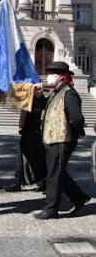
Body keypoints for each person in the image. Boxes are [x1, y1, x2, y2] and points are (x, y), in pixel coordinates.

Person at [34, 61, 90, 220]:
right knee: (57, 172)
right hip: (51, 139)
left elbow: (77, 118)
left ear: (61, 76)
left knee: (54, 174)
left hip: (62, 140)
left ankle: (51, 209)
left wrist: (75, 133)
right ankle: (79, 197)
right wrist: (39, 97)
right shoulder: (56, 92)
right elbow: (48, 107)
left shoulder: (69, 93)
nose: (49, 76)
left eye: (52, 73)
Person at [5, 96, 46, 192]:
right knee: (37, 157)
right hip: (34, 131)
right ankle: (41, 181)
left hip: (30, 131)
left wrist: (21, 126)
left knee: (26, 157)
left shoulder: (31, 98)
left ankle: (20, 181)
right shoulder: (38, 98)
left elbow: (24, 112)